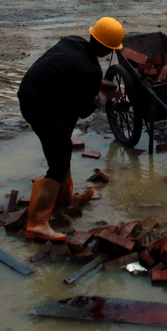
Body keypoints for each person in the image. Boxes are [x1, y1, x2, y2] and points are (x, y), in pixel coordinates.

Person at [17, 17, 124, 241]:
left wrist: (93, 88)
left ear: (93, 34)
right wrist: (104, 95)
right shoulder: (91, 70)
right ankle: (37, 223)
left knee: (62, 148)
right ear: (108, 50)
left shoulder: (72, 41)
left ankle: (64, 200)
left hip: (31, 91)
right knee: (59, 161)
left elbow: (66, 75)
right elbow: (84, 111)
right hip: (41, 105)